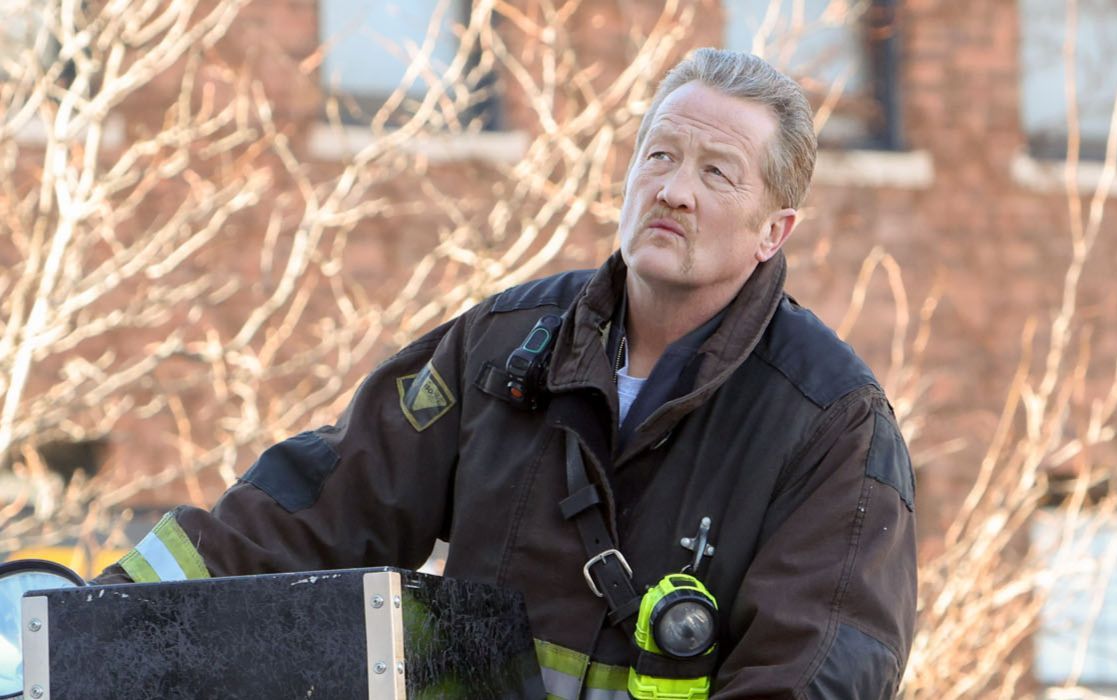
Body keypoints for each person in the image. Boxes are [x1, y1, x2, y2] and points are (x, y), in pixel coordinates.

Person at [97, 48, 917, 698]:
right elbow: (316, 513)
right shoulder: (505, 346)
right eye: (659, 156)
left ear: (773, 230)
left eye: (715, 172)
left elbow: (811, 675)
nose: (673, 190)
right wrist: (91, 622)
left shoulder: (832, 426)